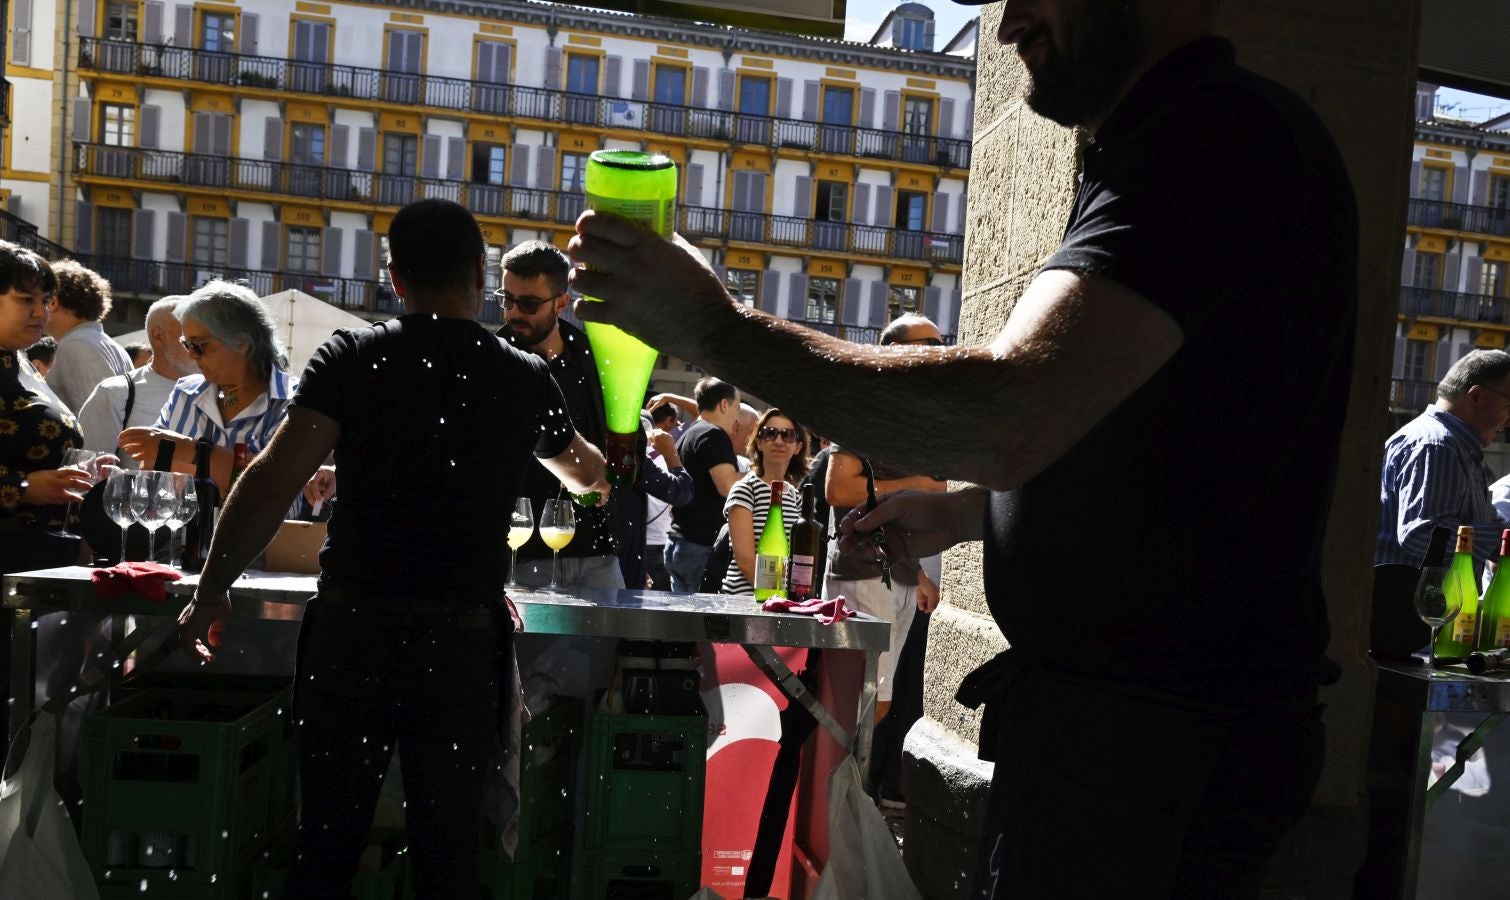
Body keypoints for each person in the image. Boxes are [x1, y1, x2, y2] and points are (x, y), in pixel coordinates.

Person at [567, 0, 1359, 893]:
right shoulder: (1177, 139)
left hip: (1155, 747)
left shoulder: (1212, 136)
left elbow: (1007, 414)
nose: (1011, 21)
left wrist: (719, 329)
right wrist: (963, 512)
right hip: (1129, 736)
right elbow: (1164, 453)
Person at [177, 199, 609, 898]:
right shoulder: (521, 375)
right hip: (462, 644)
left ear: (395, 279)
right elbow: (584, 475)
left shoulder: (353, 357)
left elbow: (269, 481)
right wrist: (597, 471)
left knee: (325, 848)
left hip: (355, 634)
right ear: (478, 274)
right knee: (449, 856)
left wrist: (210, 589)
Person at [0, 242, 93, 763]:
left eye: (45, 298)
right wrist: (22, 487)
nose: (40, 311)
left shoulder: (21, 362)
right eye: (24, 299)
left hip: (34, 564)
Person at [498, 240, 621, 589]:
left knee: (611, 642)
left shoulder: (597, 360)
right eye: (507, 299)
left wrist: (612, 474)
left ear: (562, 302)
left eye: (529, 303)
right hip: (520, 553)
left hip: (595, 551)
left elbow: (628, 440)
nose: (514, 312)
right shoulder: (495, 363)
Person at [118, 281, 294, 493]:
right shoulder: (186, 391)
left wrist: (188, 451)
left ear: (241, 342)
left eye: (199, 345)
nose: (191, 354)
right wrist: (228, 466)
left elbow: (277, 489)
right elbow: (152, 471)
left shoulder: (294, 403)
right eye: (186, 344)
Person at [1377, 349, 1510, 571]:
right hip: (1410, 602)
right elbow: (1421, 535)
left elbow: (1487, 525)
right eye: (1509, 407)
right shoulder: (1437, 446)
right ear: (1475, 396)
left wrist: (1500, 539)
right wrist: (1495, 537)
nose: (1509, 422)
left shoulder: (1457, 447)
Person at [76, 295, 198, 463]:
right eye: (188, 337)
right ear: (158, 336)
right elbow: (88, 470)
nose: (198, 345)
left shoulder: (218, 392)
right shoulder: (115, 393)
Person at [665, 377, 743, 592]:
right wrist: (755, 475)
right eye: (737, 406)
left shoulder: (690, 434)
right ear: (724, 405)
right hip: (700, 546)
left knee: (682, 622)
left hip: (681, 542)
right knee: (697, 624)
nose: (738, 414)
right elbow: (728, 487)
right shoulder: (712, 434)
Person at [720, 409, 807, 594]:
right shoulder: (745, 489)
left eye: (787, 435)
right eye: (769, 433)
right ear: (759, 442)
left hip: (780, 601)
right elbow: (746, 561)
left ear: (797, 447)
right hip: (745, 600)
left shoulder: (793, 495)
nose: (778, 441)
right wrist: (775, 598)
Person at [612, 410, 693, 589]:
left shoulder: (606, 453)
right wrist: (671, 453)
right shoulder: (634, 459)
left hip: (611, 557)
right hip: (628, 559)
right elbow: (681, 491)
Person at [42, 259, 132, 412]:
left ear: (53, 302)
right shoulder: (105, 344)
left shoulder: (77, 344)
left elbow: (96, 417)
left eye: (42, 299)